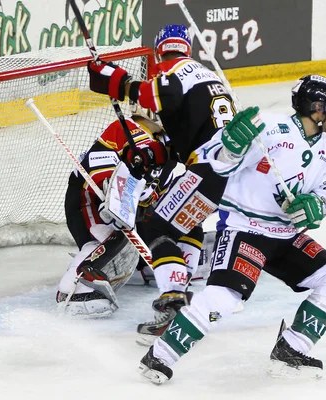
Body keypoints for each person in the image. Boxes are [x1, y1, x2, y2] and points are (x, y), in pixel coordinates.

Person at [137, 75, 326, 385]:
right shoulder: (265, 126)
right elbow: (214, 163)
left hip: (286, 236)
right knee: (225, 297)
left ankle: (291, 350)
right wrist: (231, 147)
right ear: (317, 108)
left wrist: (314, 208)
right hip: (246, 229)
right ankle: (161, 355)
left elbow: (323, 195)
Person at [87, 24, 264, 327]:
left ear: (159, 51)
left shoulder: (172, 70)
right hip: (238, 171)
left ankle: (173, 303)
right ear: (188, 48)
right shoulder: (208, 74)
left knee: (155, 229)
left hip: (210, 167)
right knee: (187, 223)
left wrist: (114, 81)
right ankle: (194, 287)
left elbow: (158, 96)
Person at [58, 107, 171, 317]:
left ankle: (148, 264)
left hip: (122, 206)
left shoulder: (163, 143)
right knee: (107, 235)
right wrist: (124, 187)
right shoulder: (128, 128)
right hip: (88, 200)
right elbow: (93, 166)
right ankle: (75, 290)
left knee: (153, 221)